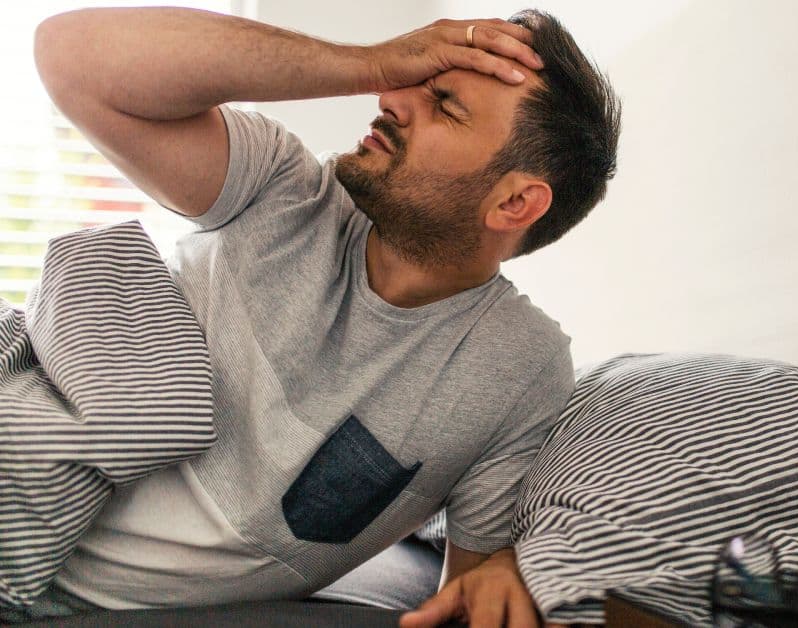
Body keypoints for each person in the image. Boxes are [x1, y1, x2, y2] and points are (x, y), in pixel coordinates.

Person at [28, 6, 620, 627]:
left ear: (516, 201)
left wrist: (509, 565)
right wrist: (367, 62)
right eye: (409, 81)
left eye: (444, 105)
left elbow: (464, 600)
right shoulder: (281, 188)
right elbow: (67, 55)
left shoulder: (517, 369)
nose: (393, 98)